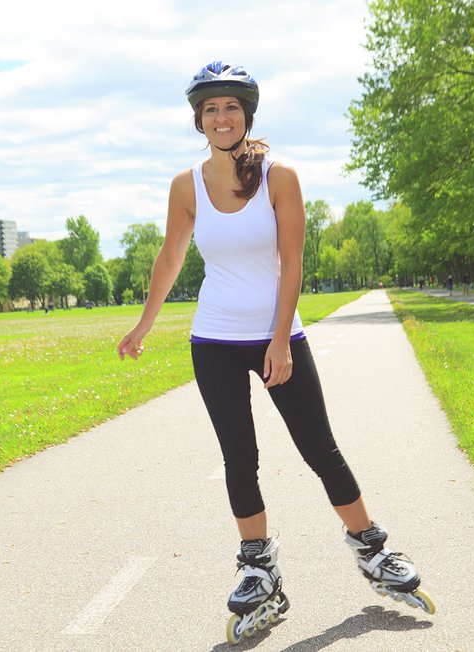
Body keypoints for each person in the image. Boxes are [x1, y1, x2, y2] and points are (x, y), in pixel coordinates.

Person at [117, 61, 433, 640]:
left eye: (231, 106)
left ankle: (373, 551)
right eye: (210, 108)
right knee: (240, 458)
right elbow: (170, 258)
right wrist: (143, 326)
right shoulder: (186, 186)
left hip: (276, 334)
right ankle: (259, 566)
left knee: (320, 449)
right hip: (212, 339)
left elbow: (292, 262)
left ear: (247, 115)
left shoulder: (280, 177)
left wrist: (282, 336)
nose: (221, 116)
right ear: (198, 119)